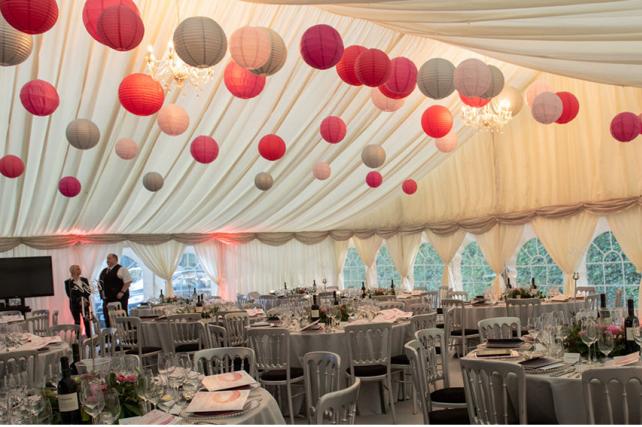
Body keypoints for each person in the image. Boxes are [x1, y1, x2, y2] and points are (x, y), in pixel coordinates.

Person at [99, 253, 132, 327]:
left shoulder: (122, 269)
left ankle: (127, 335)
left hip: (119, 298)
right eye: (107, 259)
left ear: (115, 259)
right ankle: (110, 336)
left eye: (109, 258)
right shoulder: (104, 271)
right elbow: (100, 284)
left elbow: (128, 281)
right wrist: (102, 293)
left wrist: (122, 292)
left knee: (122, 317)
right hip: (107, 299)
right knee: (107, 317)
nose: (107, 260)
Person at [64, 265, 92, 337]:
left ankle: (90, 338)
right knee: (77, 322)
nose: (80, 270)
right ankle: (77, 340)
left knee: (87, 322)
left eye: (79, 268)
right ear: (72, 271)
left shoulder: (84, 280)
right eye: (78, 269)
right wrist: (80, 300)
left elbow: (88, 291)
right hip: (74, 305)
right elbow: (70, 295)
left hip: (85, 304)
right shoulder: (68, 282)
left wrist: (84, 300)